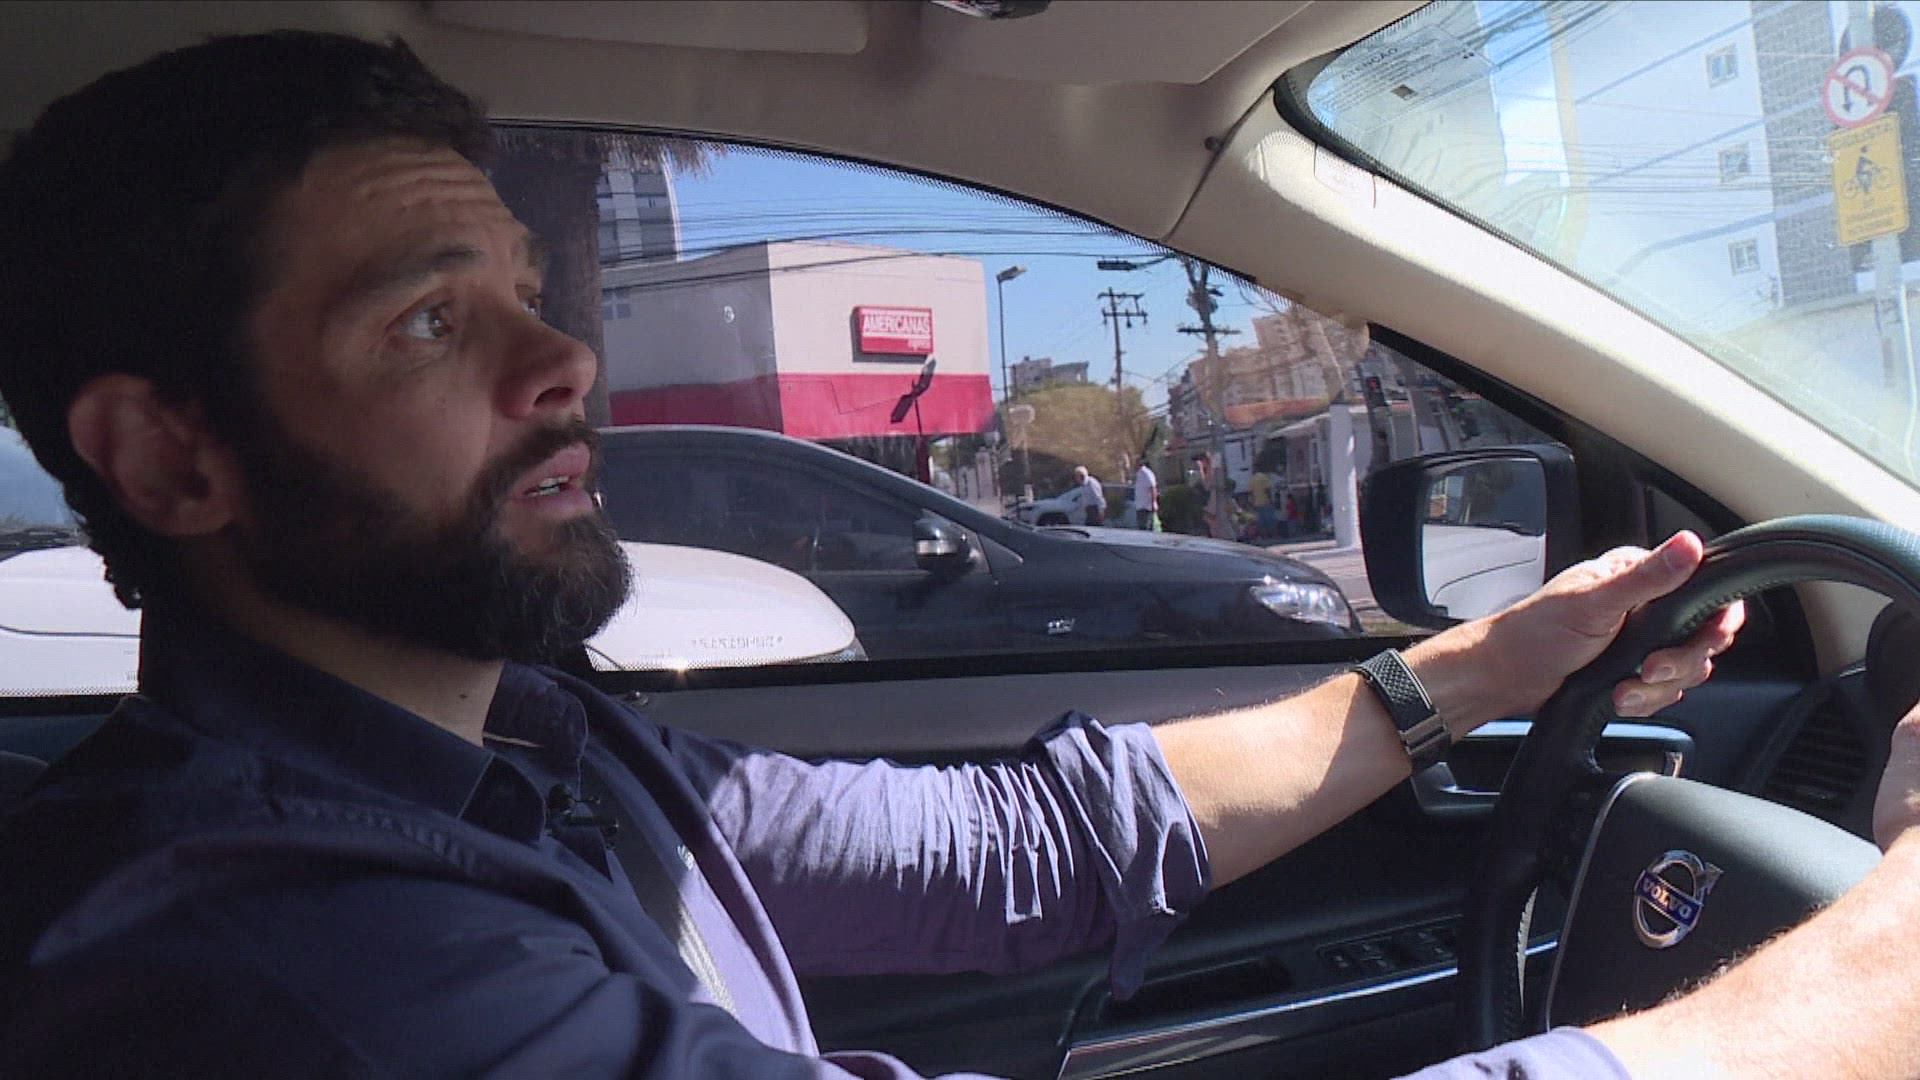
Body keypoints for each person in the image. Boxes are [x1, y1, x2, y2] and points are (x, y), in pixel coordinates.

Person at [0, 31, 1908, 1080]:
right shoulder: (289, 968)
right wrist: (1879, 965)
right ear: (170, 455)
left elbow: (1017, 847)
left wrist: (1488, 667)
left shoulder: (531, 751)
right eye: (430, 321)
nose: (561, 359)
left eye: (525, 289)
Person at [1249, 467, 1276, 540]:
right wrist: (1271, 500)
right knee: (1270, 520)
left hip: (1257, 503)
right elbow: (1267, 490)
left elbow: (1251, 493)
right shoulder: (1264, 477)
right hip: (1266, 502)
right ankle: (1272, 535)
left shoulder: (1252, 479)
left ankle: (1264, 536)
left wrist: (1253, 503)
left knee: (1261, 521)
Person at [1134, 456, 1159, 530]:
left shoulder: (1146, 473)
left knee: (1146, 529)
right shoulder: (1138, 474)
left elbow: (1153, 487)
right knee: (1142, 528)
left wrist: (1154, 502)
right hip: (1140, 506)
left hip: (1146, 507)